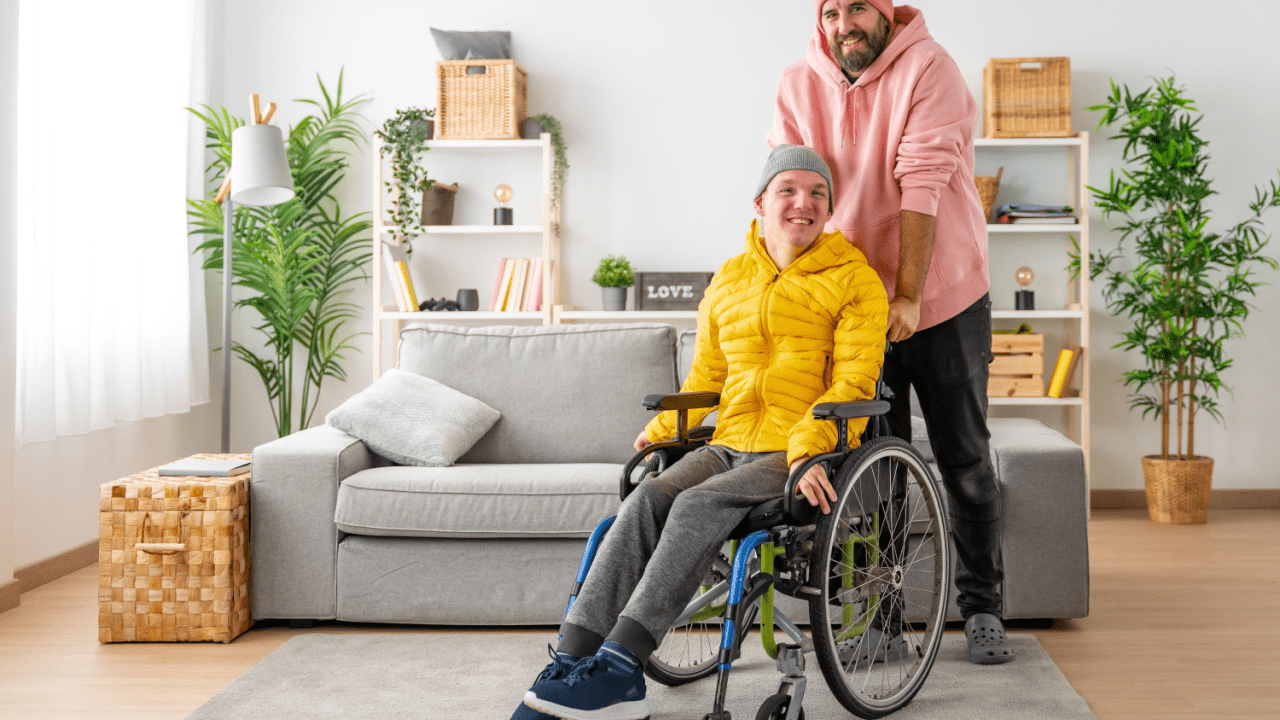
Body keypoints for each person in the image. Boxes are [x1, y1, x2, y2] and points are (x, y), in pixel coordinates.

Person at [513, 144, 888, 720]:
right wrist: (664, 427)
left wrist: (811, 451)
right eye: (788, 189)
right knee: (644, 503)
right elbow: (708, 375)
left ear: (830, 209)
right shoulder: (731, 279)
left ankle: (620, 668)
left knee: (693, 507)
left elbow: (856, 382)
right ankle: (572, 658)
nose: (803, 203)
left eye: (817, 194)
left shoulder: (856, 281)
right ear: (761, 202)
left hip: (798, 449)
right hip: (727, 441)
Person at [768, 0, 1013, 665]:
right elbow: (788, 189)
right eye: (832, 12)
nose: (844, 23)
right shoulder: (798, 83)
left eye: (858, 9)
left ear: (887, 14)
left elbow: (922, 183)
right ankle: (879, 621)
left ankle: (984, 605)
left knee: (964, 460)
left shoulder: (931, 69)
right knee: (872, 474)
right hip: (854, 307)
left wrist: (907, 295)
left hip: (943, 299)